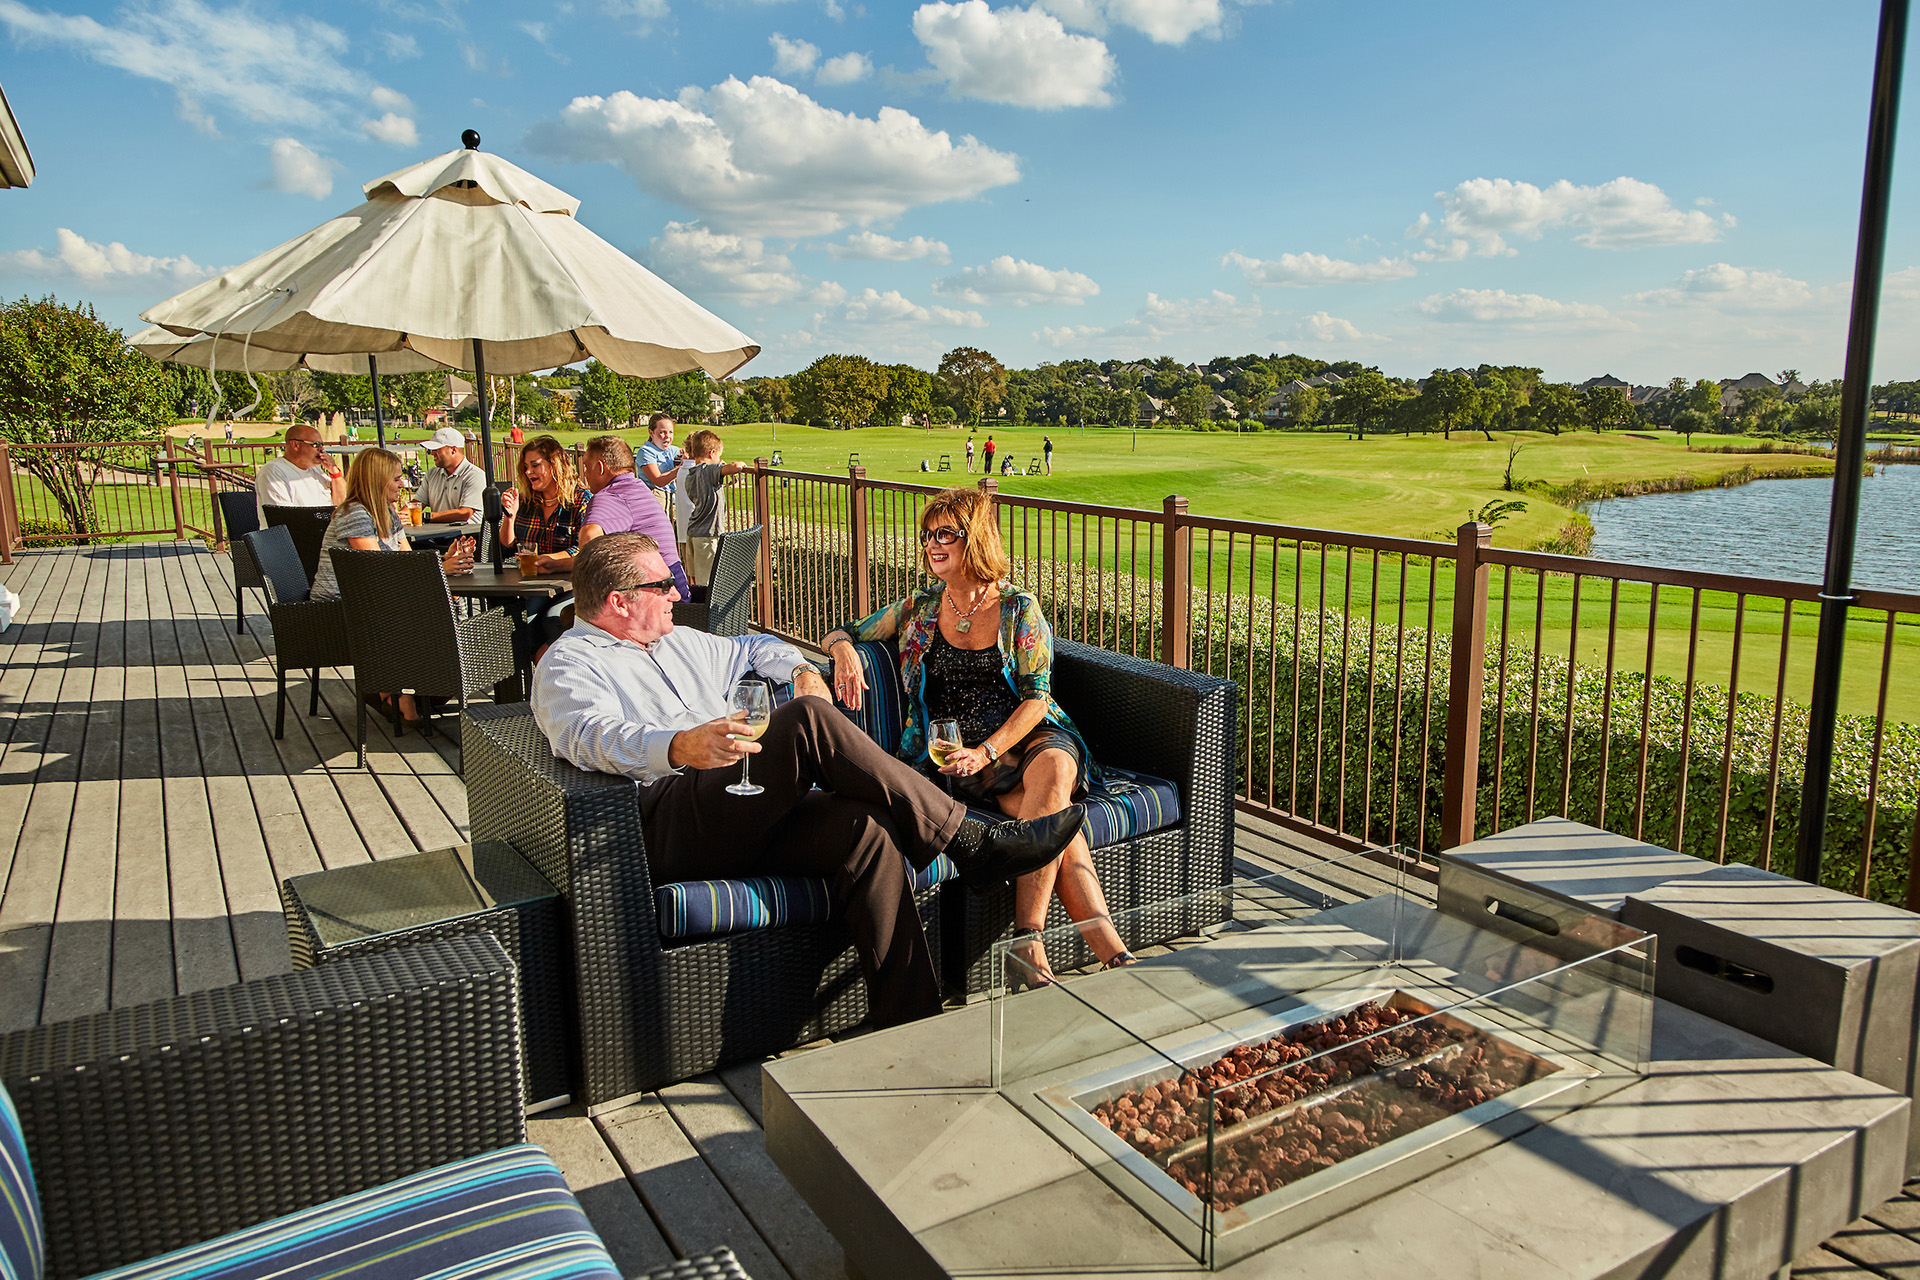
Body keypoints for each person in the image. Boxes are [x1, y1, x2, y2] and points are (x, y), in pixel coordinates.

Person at [532, 532, 1087, 1027]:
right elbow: (587, 736)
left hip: (742, 804)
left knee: (866, 832)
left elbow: (754, 646)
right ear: (619, 602)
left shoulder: (678, 641)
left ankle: (911, 1018)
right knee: (804, 722)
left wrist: (800, 670)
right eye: (664, 584)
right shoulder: (569, 664)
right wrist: (679, 745)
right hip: (665, 819)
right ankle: (971, 841)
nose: (680, 592)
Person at [822, 487, 1137, 984]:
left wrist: (988, 748)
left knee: (1054, 772)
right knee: (1053, 821)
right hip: (956, 756)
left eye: (946, 533)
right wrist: (841, 651)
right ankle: (1112, 952)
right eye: (928, 535)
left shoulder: (1018, 608)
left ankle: (1029, 938)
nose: (932, 543)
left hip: (1024, 738)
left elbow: (1037, 697)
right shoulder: (919, 607)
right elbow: (843, 631)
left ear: (976, 539)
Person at [310, 448, 474, 731]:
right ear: (377, 480)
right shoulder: (355, 515)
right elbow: (379, 571)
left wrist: (441, 561)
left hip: (374, 598)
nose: (403, 485)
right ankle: (398, 692)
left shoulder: (386, 512)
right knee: (428, 612)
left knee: (440, 605)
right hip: (339, 607)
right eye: (396, 479)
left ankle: (413, 686)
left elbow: (404, 560)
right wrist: (439, 570)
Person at [536, 435, 690, 599]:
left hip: (658, 597)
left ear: (601, 467)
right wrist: (555, 566)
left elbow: (589, 535)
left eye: (587, 468)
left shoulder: (611, 495)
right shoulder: (637, 488)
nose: (585, 475)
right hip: (673, 588)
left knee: (555, 618)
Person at [498, 435, 588, 662]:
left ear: (554, 464)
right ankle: (530, 672)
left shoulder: (580, 500)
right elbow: (509, 544)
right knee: (507, 616)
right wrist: (510, 517)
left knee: (541, 619)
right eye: (526, 467)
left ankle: (539, 666)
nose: (529, 472)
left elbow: (584, 547)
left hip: (570, 585)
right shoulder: (528, 501)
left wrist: (549, 559)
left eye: (535, 465)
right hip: (532, 584)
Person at [679, 429, 751, 586]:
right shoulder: (708, 470)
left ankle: (696, 608)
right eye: (718, 456)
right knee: (708, 582)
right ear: (712, 453)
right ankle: (709, 610)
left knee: (695, 579)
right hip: (708, 535)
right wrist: (739, 465)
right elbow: (736, 467)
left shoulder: (691, 473)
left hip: (693, 532)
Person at [255, 424, 346, 524]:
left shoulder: (315, 470)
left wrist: (334, 473)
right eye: (315, 444)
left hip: (325, 532)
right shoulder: (273, 472)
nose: (321, 450)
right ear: (295, 445)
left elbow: (341, 504)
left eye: (322, 444)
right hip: (292, 536)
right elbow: (284, 518)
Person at [417, 425, 488, 524]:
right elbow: (416, 504)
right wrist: (402, 515)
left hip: (466, 535)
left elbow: (464, 514)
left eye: (436, 449)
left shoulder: (475, 476)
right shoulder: (432, 473)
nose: (431, 453)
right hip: (436, 534)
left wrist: (424, 517)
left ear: (453, 450)